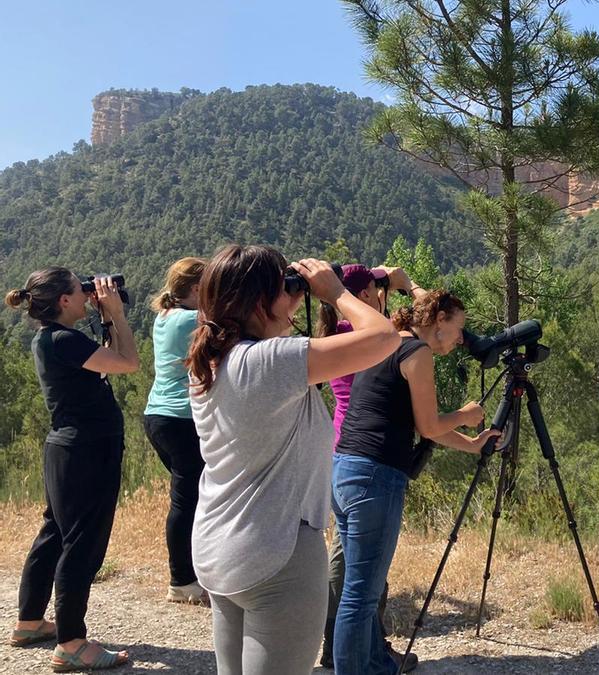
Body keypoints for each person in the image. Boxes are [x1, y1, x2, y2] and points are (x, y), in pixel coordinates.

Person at [185, 245, 400, 675]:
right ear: (261, 302)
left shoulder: (208, 361)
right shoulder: (269, 362)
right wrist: (336, 292)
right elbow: (384, 337)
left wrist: (291, 300)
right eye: (286, 290)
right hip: (277, 553)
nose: (294, 297)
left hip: (220, 544)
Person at [332, 288, 498, 675]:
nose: (460, 340)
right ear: (439, 320)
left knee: (360, 591)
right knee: (361, 594)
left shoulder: (389, 341)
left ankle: (374, 664)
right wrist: (466, 414)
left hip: (345, 470)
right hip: (376, 475)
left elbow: (426, 427)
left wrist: (473, 445)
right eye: (458, 329)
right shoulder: (418, 354)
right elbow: (430, 424)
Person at [5, 269, 139, 671]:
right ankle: (72, 642)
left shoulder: (51, 339)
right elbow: (129, 362)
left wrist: (106, 318)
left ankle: (29, 622)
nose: (87, 296)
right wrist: (117, 314)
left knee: (55, 533)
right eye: (79, 292)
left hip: (66, 450)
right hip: (87, 452)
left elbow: (110, 362)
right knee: (82, 544)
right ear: (64, 300)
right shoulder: (66, 340)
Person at [314, 262, 412, 669]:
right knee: (358, 569)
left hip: (343, 450)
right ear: (364, 296)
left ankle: (357, 647)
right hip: (367, 454)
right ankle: (349, 651)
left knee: (354, 561)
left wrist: (385, 284)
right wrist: (410, 286)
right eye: (373, 288)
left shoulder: (335, 333)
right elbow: (430, 323)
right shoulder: (359, 337)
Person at [142, 256, 208, 605]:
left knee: (191, 497)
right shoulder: (192, 320)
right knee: (187, 500)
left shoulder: (165, 316)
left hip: (158, 415)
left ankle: (191, 572)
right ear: (197, 288)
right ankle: (182, 580)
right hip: (181, 420)